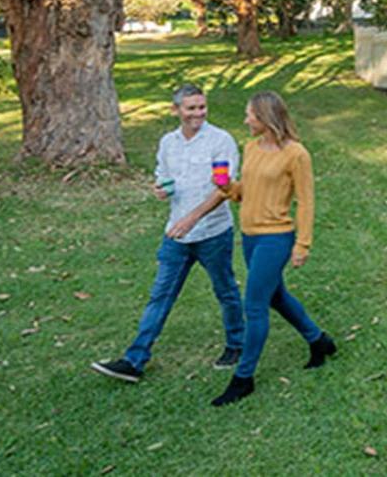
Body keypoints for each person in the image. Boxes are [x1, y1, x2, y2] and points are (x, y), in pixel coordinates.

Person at [168, 90, 335, 406]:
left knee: (255, 304)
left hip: (276, 237)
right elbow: (248, 190)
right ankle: (319, 341)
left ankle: (243, 378)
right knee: (276, 296)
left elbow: (307, 202)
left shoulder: (296, 154)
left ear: (266, 118)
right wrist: (228, 188)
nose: (245, 120)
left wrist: (303, 244)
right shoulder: (252, 147)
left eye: (250, 115)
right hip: (250, 235)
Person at [90, 84, 244, 382]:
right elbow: (163, 174)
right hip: (176, 234)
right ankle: (134, 361)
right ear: (176, 110)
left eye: (202, 107)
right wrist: (160, 187)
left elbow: (224, 189)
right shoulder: (168, 143)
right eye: (191, 108)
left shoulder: (221, 140)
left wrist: (192, 218)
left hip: (213, 233)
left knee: (225, 290)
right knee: (160, 295)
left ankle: (237, 345)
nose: (198, 113)